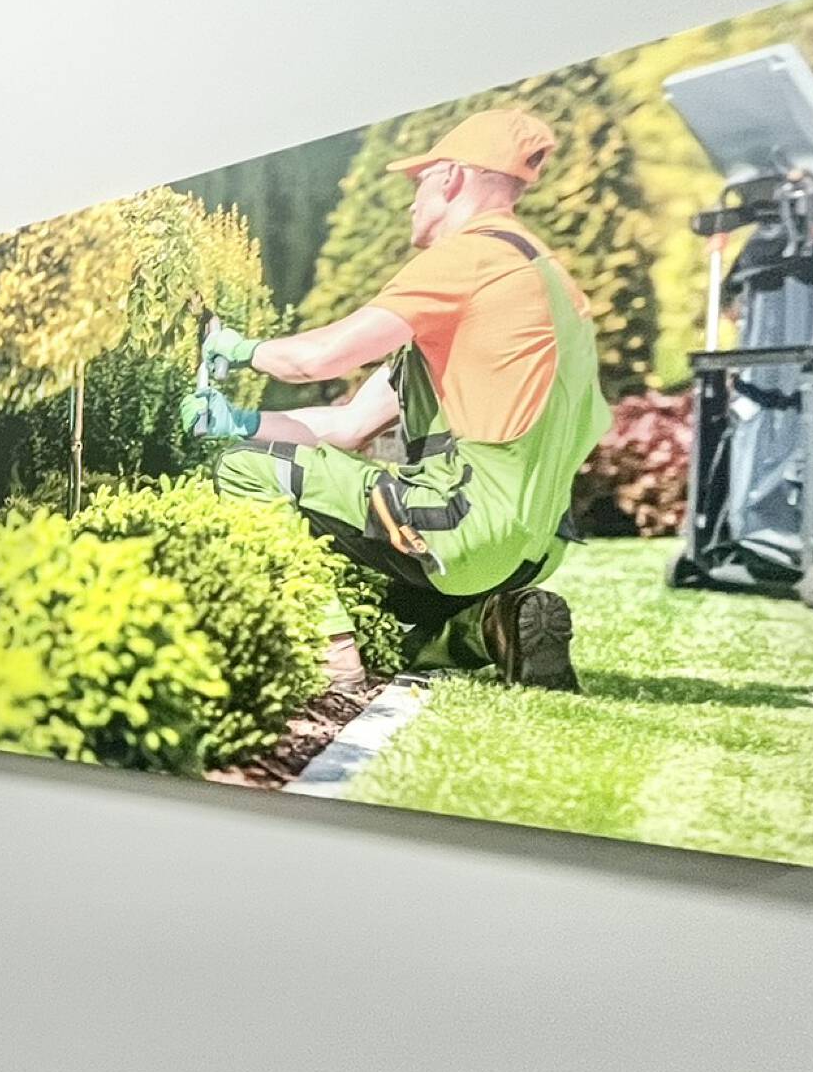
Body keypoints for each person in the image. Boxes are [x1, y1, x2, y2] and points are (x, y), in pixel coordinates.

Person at [183, 106, 611, 689]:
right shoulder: (549, 280)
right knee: (388, 620)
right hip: (534, 547)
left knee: (240, 470)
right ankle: (498, 624)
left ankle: (327, 654)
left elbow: (319, 359)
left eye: (420, 182)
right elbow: (350, 425)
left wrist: (239, 348)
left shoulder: (467, 258)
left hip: (460, 524)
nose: (412, 202)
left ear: (452, 178)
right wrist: (240, 420)